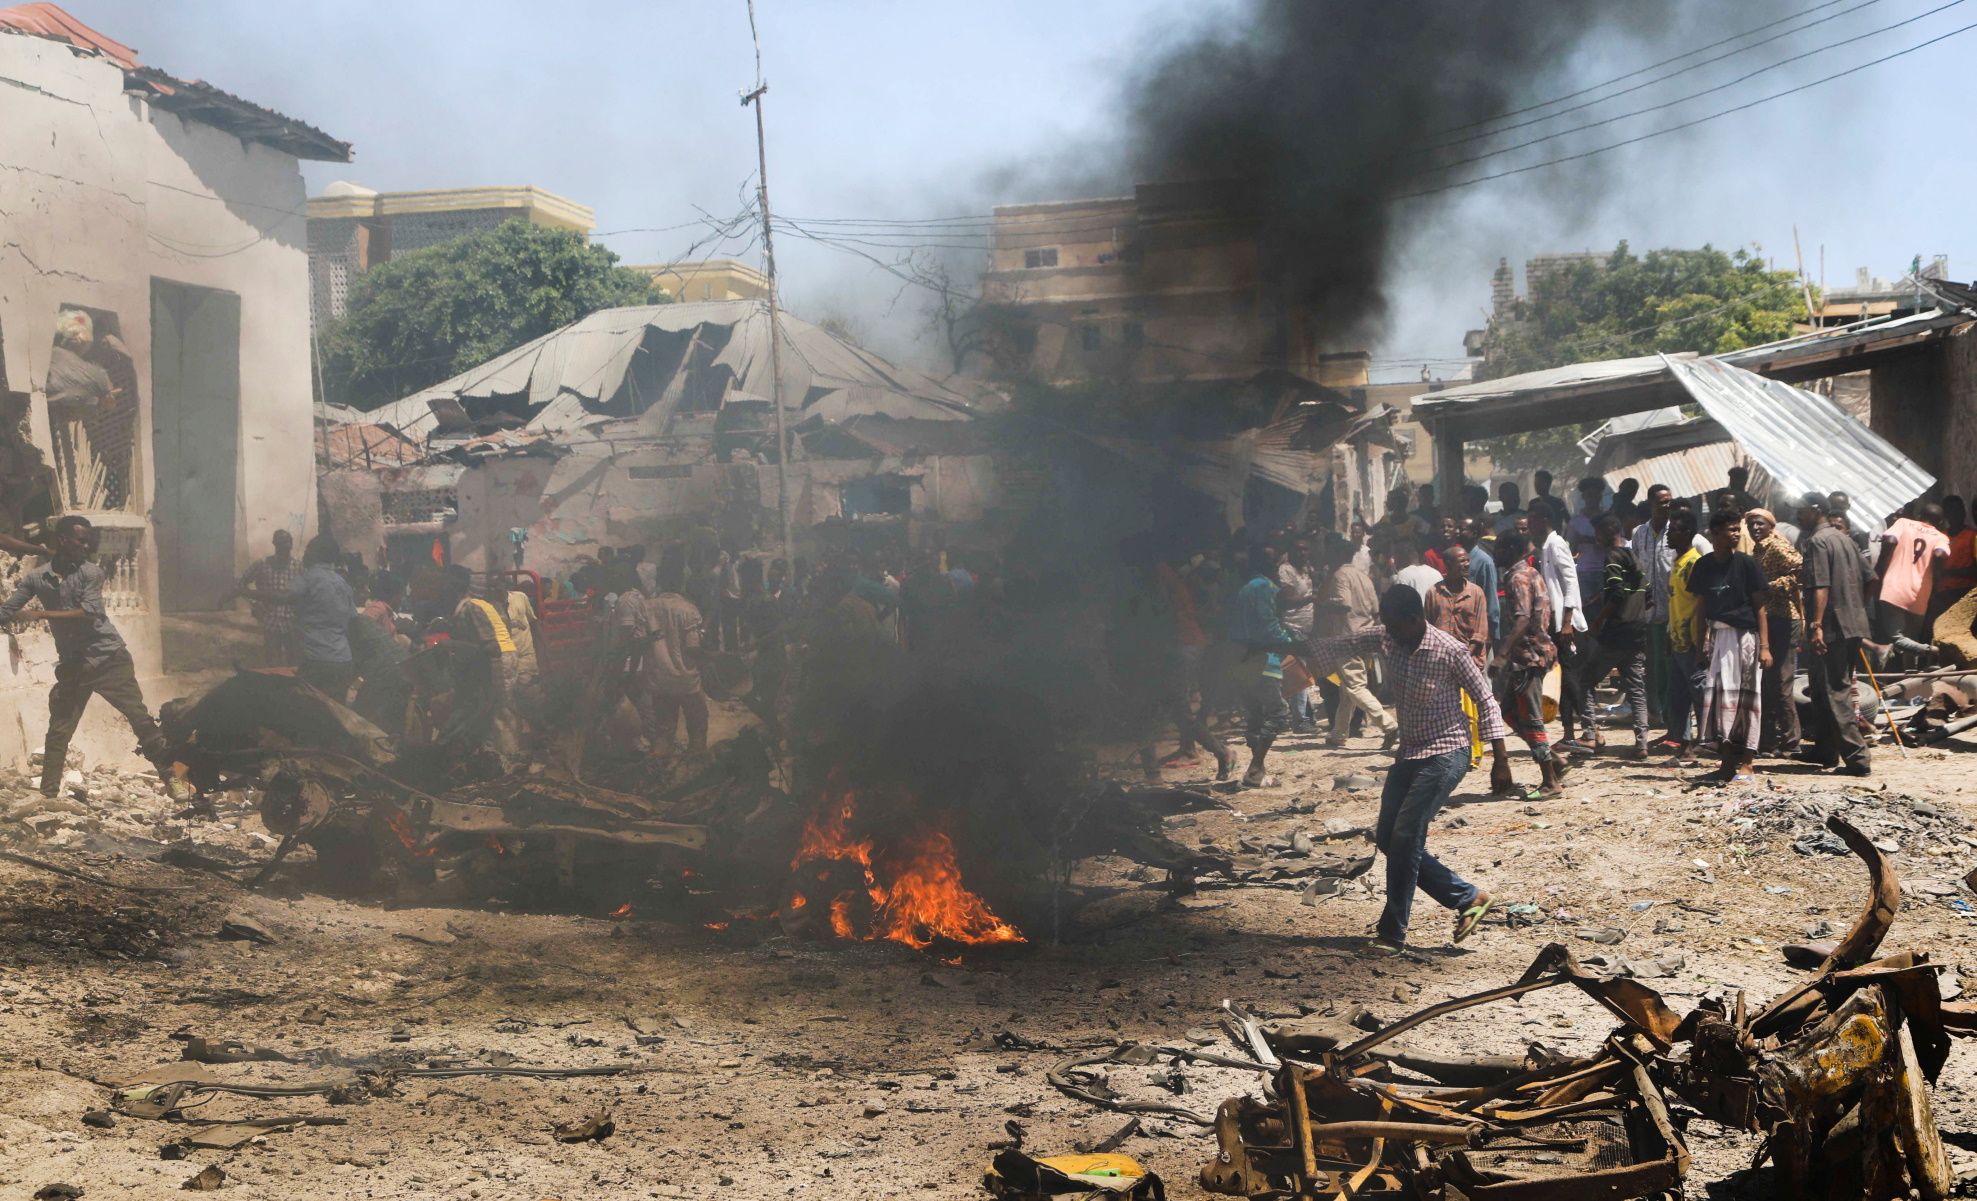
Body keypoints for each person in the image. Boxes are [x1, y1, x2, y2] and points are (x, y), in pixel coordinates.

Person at [1305, 585, 1513, 956]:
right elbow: (1342, 644)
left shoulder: (1449, 650)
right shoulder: (1388, 637)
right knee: (1387, 836)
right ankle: (1469, 897)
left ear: (1415, 619)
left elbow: (1485, 700)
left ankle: (1391, 934)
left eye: (1393, 624)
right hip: (1410, 753)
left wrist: (1501, 760)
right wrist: (1285, 646)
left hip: (1448, 752)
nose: (1387, 631)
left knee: (1405, 835)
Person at [0, 515, 189, 800]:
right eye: (81, 540)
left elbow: (89, 614)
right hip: (74, 666)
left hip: (109, 658)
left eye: (88, 540)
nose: (87, 546)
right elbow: (8, 609)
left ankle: (173, 780)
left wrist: (39, 613)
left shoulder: (91, 572)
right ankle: (48, 795)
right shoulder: (36, 579)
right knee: (59, 731)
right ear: (63, 540)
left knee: (141, 721)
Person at [1689, 509, 1772, 783]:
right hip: (1717, 638)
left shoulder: (1748, 564)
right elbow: (1701, 608)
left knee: (1748, 697)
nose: (1736, 534)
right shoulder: (1703, 566)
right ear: (1715, 533)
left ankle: (1747, 763)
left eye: (1738, 529)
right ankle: (1725, 764)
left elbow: (1760, 606)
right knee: (1720, 699)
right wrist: (1701, 643)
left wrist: (1765, 646)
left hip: (1745, 638)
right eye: (1731, 529)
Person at [1796, 493, 1872, 775]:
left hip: (1831, 628)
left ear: (1816, 511)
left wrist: (1815, 625)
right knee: (1820, 688)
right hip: (1852, 624)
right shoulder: (1845, 539)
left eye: (1801, 511)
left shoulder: (1818, 541)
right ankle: (1825, 750)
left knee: (1834, 690)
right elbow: (1871, 578)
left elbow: (1820, 586)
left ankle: (1857, 758)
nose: (1797, 516)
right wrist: (1856, 607)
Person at [1492, 532, 1565, 796]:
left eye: (1499, 546)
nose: (1495, 551)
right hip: (1535, 652)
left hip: (1527, 657)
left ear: (1511, 548)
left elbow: (1522, 619)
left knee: (1531, 718)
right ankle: (1555, 761)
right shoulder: (1531, 573)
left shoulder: (1518, 577)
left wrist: (1502, 654)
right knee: (1509, 711)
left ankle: (1550, 781)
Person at [1226, 547, 1301, 787]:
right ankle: (1255, 768)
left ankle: (1258, 770)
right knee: (1278, 714)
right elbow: (1268, 626)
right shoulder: (1263, 587)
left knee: (1255, 715)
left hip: (1240, 659)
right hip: (1261, 659)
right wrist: (1291, 644)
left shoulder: (1247, 587)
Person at [1576, 517, 1651, 758]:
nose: (1597, 540)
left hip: (1616, 632)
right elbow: (1648, 596)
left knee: (1586, 680)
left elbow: (1617, 593)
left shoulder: (1613, 557)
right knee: (1636, 689)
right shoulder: (1635, 558)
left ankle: (1589, 735)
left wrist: (1597, 622)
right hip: (1637, 631)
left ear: (1610, 531)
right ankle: (1642, 744)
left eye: (1599, 534)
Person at [1154, 546, 1231, 777]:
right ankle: (1191, 748)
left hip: (1183, 643)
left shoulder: (1161, 574)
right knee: (1177, 703)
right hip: (1186, 642)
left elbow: (1165, 611)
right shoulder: (1171, 576)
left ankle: (1216, 750)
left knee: (1177, 703)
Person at [249, 534, 356, 697]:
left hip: (316, 661)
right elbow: (354, 621)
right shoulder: (343, 584)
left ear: (315, 553)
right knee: (335, 715)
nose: (304, 554)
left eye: (307, 550)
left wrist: (245, 592)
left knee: (304, 709)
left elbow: (284, 597)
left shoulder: (309, 577)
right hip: (343, 661)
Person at [1314, 539, 1392, 749]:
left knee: (1355, 686)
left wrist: (1321, 607)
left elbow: (1343, 604)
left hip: (1346, 637)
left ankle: (1389, 725)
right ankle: (1338, 734)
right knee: (1348, 688)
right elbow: (1376, 609)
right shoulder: (1363, 575)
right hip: (1365, 635)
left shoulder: (1340, 575)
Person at [635, 547, 710, 753]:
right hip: (687, 683)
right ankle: (695, 769)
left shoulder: (645, 607)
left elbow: (639, 642)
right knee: (697, 726)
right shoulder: (689, 609)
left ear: (660, 580)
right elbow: (693, 648)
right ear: (681, 582)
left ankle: (660, 774)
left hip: (659, 682)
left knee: (664, 730)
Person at [1424, 544, 1490, 768]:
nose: (1466, 565)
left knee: (1473, 711)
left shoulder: (1476, 592)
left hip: (1471, 662)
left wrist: (1463, 657)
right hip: (1440, 664)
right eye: (1461, 561)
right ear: (1448, 565)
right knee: (1445, 710)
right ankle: (1449, 751)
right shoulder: (1433, 593)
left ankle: (1473, 754)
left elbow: (1480, 632)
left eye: (1467, 561)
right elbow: (1429, 628)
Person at [1745, 508, 1803, 757]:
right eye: (1751, 525)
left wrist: (1770, 587)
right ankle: (1768, 739)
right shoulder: (1758, 549)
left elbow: (1800, 570)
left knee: (1781, 682)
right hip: (1769, 618)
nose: (1755, 528)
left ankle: (1792, 742)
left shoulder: (1778, 546)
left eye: (1759, 524)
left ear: (1770, 525)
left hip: (1785, 617)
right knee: (1768, 681)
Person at [1527, 505, 1586, 746]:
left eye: (1532, 520)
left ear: (1544, 519)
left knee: (1570, 679)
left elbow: (1571, 581)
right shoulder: (1543, 546)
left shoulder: (1556, 543)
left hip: (1565, 624)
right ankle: (1569, 733)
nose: (1529, 526)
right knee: (1560, 678)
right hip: (1554, 623)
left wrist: (1567, 621)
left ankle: (1590, 728)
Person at [1628, 485, 1675, 734]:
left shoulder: (1678, 531)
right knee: (1652, 670)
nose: (1666, 506)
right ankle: (1660, 717)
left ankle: (1674, 721)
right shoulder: (1639, 533)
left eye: (1669, 501)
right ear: (1650, 504)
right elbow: (1635, 569)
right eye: (1662, 502)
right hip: (1647, 613)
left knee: (1671, 668)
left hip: (1673, 613)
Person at [1874, 501, 1951, 651]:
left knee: (1895, 637)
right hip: (1920, 593)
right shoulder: (1941, 537)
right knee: (1911, 637)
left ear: (1919, 516)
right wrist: (1936, 581)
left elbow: (1890, 539)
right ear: (1941, 522)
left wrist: (1880, 569)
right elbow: (1940, 553)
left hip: (1893, 587)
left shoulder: (1903, 523)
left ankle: (1929, 651)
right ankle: (1911, 670)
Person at [223, 529, 301, 667]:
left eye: (289, 543)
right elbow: (240, 584)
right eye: (282, 543)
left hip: (292, 620)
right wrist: (255, 603)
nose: (286, 547)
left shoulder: (299, 566)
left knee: (293, 660)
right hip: (270, 619)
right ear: (275, 544)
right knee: (272, 660)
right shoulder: (262, 564)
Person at [1664, 511, 1705, 761]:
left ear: (1687, 533)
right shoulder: (1677, 562)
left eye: (1674, 530)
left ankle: (1709, 742)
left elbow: (1702, 604)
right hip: (1677, 641)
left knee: (1699, 695)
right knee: (1677, 697)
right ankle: (1685, 746)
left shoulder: (1694, 563)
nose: (1669, 535)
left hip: (1691, 643)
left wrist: (1701, 643)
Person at [1276, 539, 1320, 734]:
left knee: (1301, 671)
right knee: (1297, 673)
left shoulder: (1306, 569)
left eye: (1306, 549)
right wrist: (1309, 599)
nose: (1303, 552)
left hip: (1306, 627)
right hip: (1292, 627)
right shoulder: (1286, 570)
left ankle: (1305, 714)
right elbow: (1285, 601)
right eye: (1299, 549)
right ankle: (1300, 720)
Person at [1928, 495, 1977, 626]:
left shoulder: (1973, 535)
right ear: (1946, 514)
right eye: (1952, 511)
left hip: (1965, 591)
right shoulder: (1940, 536)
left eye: (1960, 510)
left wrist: (1947, 572)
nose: (1957, 514)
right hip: (1943, 591)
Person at [1456, 519, 1500, 646]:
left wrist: (1491, 632)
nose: (1457, 532)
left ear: (1474, 533)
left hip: (1478, 631)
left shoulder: (1484, 560)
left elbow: (1491, 597)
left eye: (1462, 529)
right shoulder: (1455, 558)